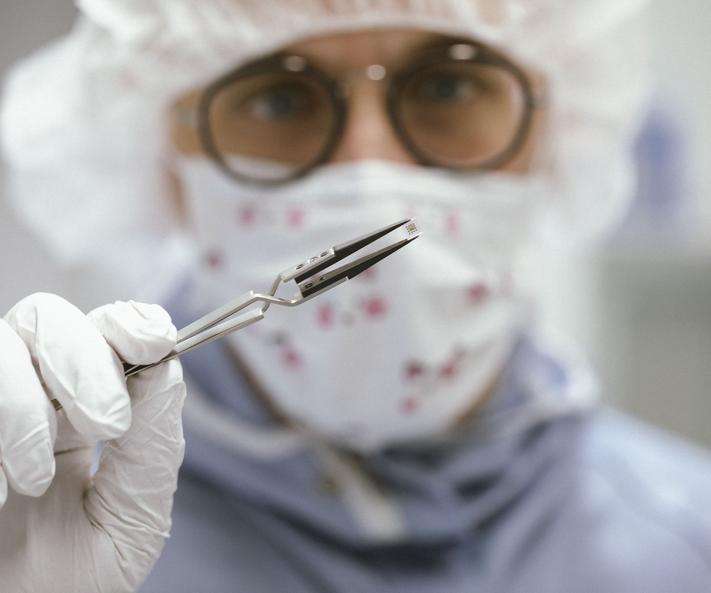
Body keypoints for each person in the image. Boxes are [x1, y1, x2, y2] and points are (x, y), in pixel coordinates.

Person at [1, 1, 710, 592]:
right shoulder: (53, 529)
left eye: (447, 88)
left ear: (554, 133)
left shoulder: (687, 545)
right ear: (163, 157)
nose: (370, 171)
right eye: (279, 98)